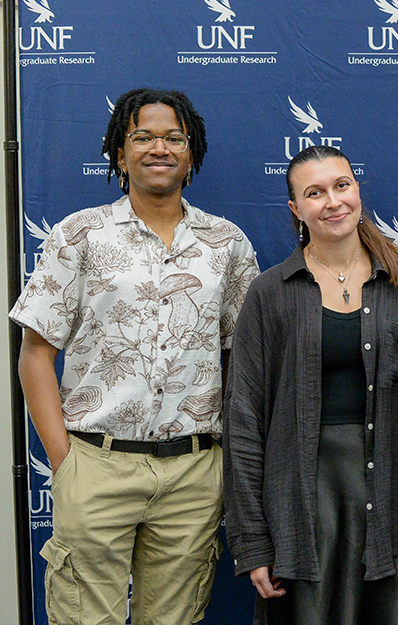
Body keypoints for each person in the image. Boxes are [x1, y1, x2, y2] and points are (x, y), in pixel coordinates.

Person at [11, 88, 260, 624]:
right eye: (142, 137)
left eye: (174, 138)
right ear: (119, 154)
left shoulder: (227, 244)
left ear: (191, 153)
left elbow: (246, 360)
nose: (158, 148)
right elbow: (34, 356)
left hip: (194, 473)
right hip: (95, 463)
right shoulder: (77, 235)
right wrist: (66, 462)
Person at [223, 145, 398, 625]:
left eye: (341, 185)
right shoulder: (270, 293)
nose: (332, 201)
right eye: (314, 193)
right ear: (295, 209)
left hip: (390, 503)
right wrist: (253, 541)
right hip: (298, 507)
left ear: (357, 190)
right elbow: (242, 422)